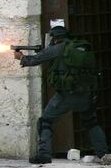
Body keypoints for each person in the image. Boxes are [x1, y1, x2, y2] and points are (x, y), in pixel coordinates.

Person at [14, 26, 110, 165]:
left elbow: (33, 61)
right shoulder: (80, 47)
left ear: (55, 37)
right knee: (91, 122)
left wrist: (21, 57)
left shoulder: (58, 48)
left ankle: (44, 155)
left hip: (66, 95)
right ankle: (104, 154)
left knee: (45, 121)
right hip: (86, 94)